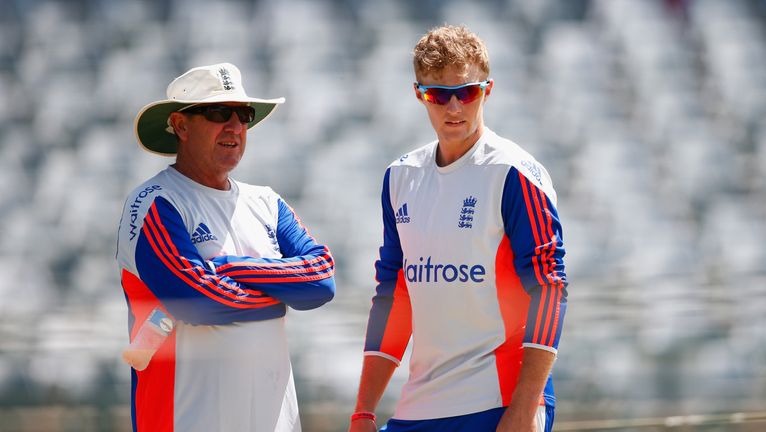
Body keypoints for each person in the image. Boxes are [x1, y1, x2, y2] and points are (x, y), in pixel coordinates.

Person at [349, 25, 568, 432]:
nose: (453, 107)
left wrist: (524, 409)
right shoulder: (400, 177)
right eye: (438, 95)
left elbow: (549, 287)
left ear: (488, 90)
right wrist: (364, 410)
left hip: (500, 401)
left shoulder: (514, 173)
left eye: (466, 92)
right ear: (419, 94)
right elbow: (394, 295)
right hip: (420, 405)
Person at [116, 63, 335, 432]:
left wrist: (229, 268)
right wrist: (279, 295)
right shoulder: (156, 201)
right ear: (181, 125)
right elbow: (196, 301)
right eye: (218, 112)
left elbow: (321, 280)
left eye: (243, 115)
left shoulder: (267, 201)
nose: (235, 126)